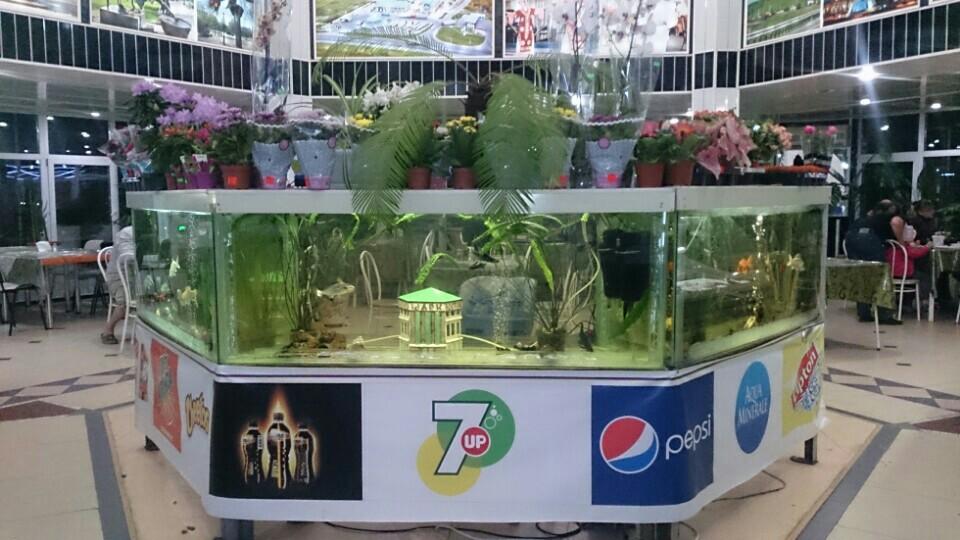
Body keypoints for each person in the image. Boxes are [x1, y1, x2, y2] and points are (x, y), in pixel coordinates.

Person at [844, 200, 902, 324]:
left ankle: (863, 313)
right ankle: (884, 314)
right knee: (881, 279)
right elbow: (894, 241)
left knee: (862, 279)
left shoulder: (862, 220)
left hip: (854, 248)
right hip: (872, 249)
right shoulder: (884, 221)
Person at [101, 224, 135, 344]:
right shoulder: (127, 233)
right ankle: (108, 330)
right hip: (119, 277)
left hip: (137, 277)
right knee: (125, 301)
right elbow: (127, 258)